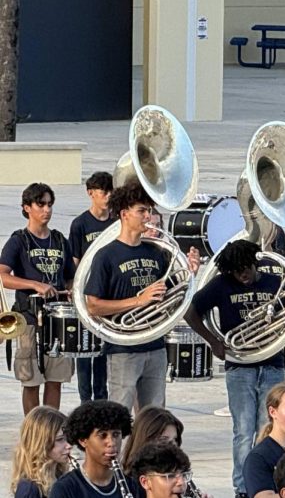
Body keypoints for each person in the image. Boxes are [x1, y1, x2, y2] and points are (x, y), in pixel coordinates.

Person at [186, 238, 285, 498]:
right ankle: (242, 487)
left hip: (272, 361)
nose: (243, 275)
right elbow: (191, 312)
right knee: (243, 429)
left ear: (254, 263)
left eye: (246, 269)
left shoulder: (274, 282)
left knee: (271, 428)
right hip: (239, 366)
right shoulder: (221, 283)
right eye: (236, 272)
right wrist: (213, 340)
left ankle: (270, 482)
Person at [83, 181, 199, 412]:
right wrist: (139, 301)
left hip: (155, 345)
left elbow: (173, 295)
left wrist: (190, 274)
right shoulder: (105, 255)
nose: (148, 216)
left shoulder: (156, 252)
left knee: (155, 416)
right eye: (142, 211)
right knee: (120, 415)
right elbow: (93, 306)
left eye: (149, 210)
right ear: (125, 214)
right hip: (123, 349)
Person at [1, 182, 75, 413]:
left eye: (50, 204)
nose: (47, 210)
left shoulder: (61, 240)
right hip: (29, 317)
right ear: (27, 208)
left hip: (59, 318)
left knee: (56, 379)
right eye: (40, 204)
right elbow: (2, 276)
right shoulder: (18, 240)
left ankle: (52, 432)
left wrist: (72, 292)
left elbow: (70, 278)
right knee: (31, 380)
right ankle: (34, 430)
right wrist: (34, 284)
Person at [69, 171, 116, 402]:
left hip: (110, 293)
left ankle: (102, 400)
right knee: (85, 352)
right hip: (88, 292)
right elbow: (75, 262)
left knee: (103, 354)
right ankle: (85, 402)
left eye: (110, 191)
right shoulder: (80, 224)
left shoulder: (117, 221)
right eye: (103, 192)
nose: (108, 196)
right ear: (91, 194)